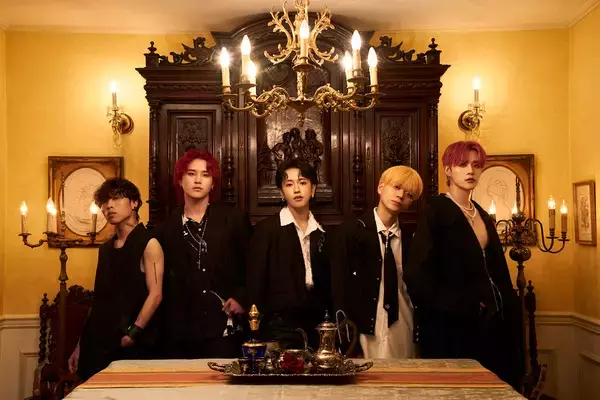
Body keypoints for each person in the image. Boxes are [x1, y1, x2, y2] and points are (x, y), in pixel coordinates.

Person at [404, 140, 523, 389]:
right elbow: (416, 275)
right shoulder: (436, 211)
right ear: (448, 169)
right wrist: (462, 305)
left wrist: (505, 306)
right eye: (462, 164)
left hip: (492, 325)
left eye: (476, 165)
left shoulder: (482, 214)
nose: (471, 170)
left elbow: (496, 271)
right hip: (450, 328)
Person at [156, 149, 252, 358]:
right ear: (180, 180)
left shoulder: (234, 220)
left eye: (205, 174)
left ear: (213, 183)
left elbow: (252, 266)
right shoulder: (165, 228)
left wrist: (241, 298)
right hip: (180, 330)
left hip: (223, 324)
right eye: (191, 173)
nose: (198, 180)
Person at [68, 178, 164, 381]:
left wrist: (133, 333)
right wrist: (79, 346)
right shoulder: (105, 249)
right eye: (104, 201)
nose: (109, 205)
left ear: (134, 203)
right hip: (97, 342)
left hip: (129, 343)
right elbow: (98, 299)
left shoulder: (149, 243)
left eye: (117, 198)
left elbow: (155, 295)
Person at [331, 165, 423, 358]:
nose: (400, 195)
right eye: (396, 187)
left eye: (409, 194)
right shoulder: (350, 233)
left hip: (403, 326)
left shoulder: (411, 239)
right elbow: (339, 287)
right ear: (381, 187)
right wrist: (345, 334)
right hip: (363, 328)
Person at [246, 159, 329, 350]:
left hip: (316, 327)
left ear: (313, 189)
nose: (297, 190)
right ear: (281, 192)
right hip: (277, 327)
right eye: (289, 184)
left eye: (302, 182)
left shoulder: (323, 232)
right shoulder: (266, 230)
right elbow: (255, 285)